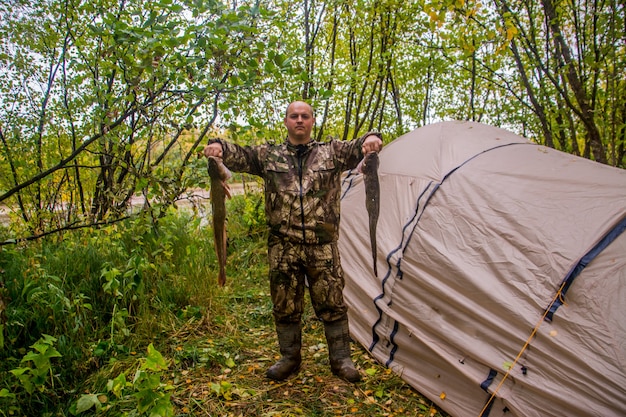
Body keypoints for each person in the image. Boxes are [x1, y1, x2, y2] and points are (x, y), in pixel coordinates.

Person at [204, 101, 382, 383]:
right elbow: (238, 155)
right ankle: (289, 358)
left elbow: (359, 146)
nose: (299, 120)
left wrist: (372, 138)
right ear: (286, 121)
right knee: (285, 305)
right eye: (294, 116)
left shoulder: (331, 152)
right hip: (282, 247)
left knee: (332, 303)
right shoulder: (268, 155)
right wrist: (218, 147)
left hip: (322, 246)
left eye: (305, 116)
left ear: (312, 121)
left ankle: (341, 360)